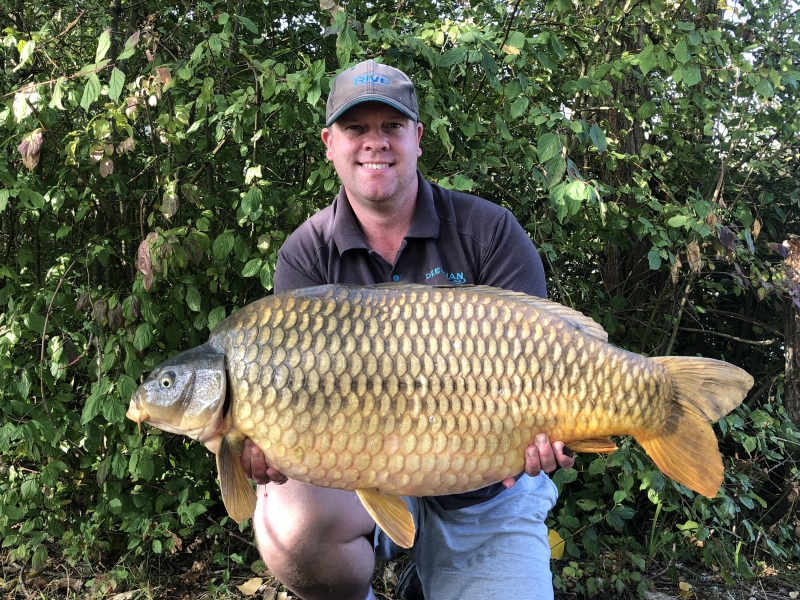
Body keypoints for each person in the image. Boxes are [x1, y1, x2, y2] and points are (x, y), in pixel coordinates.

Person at [239, 59, 575, 600]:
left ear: (417, 138)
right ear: (330, 143)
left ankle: (434, 573)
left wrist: (550, 437)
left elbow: (542, 368)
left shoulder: (487, 230)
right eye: (357, 129)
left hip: (489, 486)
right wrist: (272, 445)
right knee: (292, 527)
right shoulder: (307, 253)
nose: (375, 143)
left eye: (391, 127)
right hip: (358, 479)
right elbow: (295, 397)